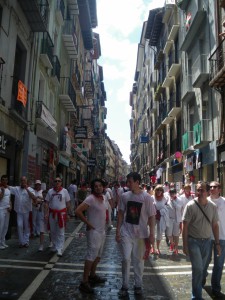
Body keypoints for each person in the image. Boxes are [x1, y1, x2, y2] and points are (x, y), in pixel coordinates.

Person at [116, 172, 156, 297]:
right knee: (125, 259)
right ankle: (125, 285)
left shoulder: (147, 198)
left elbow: (152, 216)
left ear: (138, 182)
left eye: (130, 182)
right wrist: (118, 230)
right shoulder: (124, 196)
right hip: (126, 232)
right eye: (127, 182)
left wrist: (152, 234)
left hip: (141, 235)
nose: (128, 184)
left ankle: (138, 285)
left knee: (139, 261)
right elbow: (121, 213)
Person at [182, 181, 221, 300]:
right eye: (198, 190)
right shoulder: (190, 206)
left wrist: (217, 243)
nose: (199, 192)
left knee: (203, 268)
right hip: (193, 241)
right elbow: (185, 225)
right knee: (198, 268)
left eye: (202, 190)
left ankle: (199, 284)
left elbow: (215, 225)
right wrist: (184, 245)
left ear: (208, 191)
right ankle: (196, 296)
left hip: (207, 242)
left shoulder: (213, 207)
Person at [75, 179, 107, 294]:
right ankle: (84, 281)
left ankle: (92, 276)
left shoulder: (103, 198)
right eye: (96, 186)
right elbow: (78, 211)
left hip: (102, 231)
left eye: (100, 186)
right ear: (93, 188)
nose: (98, 188)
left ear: (103, 187)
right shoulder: (91, 198)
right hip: (94, 232)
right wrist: (88, 223)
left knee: (97, 256)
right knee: (90, 256)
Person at [204, 181, 225, 298]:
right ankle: (201, 279)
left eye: (215, 187)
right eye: (210, 187)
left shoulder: (224, 202)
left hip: (222, 237)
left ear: (219, 189)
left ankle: (215, 288)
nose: (212, 188)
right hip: (206, 236)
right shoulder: (204, 201)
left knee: (219, 264)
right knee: (204, 262)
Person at [45, 177, 70, 257]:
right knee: (52, 231)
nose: (57, 182)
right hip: (52, 214)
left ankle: (60, 249)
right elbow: (46, 203)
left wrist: (68, 214)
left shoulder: (65, 191)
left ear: (61, 182)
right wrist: (46, 213)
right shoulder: (50, 191)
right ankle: (54, 246)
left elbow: (68, 203)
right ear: (53, 182)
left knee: (61, 232)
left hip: (61, 214)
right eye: (55, 181)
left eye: (59, 181)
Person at [9, 176, 37, 248]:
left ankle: (26, 241)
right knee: (19, 225)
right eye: (21, 181)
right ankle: (21, 242)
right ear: (20, 181)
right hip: (19, 211)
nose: (23, 182)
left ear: (26, 181)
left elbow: (33, 197)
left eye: (24, 181)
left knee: (26, 226)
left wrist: (26, 189)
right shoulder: (17, 189)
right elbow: (9, 187)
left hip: (26, 211)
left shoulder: (30, 189)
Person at [152, 184, 169, 254]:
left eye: (160, 190)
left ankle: (158, 248)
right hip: (153, 217)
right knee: (152, 232)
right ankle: (153, 248)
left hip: (161, 217)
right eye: (157, 190)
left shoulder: (165, 198)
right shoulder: (152, 197)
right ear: (155, 191)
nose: (159, 191)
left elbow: (167, 207)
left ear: (162, 191)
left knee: (159, 233)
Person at [166, 188, 183, 255]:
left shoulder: (179, 199)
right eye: (170, 193)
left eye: (173, 193)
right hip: (170, 219)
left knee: (176, 235)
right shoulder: (168, 199)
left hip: (177, 219)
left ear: (175, 193)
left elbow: (179, 208)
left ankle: (176, 248)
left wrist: (173, 201)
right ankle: (172, 243)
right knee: (168, 234)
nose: (171, 194)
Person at [0, 175, 12, 249]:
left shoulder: (9, 189)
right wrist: (3, 191)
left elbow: (10, 199)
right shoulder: (0, 189)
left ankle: (3, 241)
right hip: (1, 209)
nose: (5, 181)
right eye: (3, 180)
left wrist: (10, 206)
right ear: (1, 181)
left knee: (5, 226)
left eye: (6, 180)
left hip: (7, 210)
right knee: (1, 226)